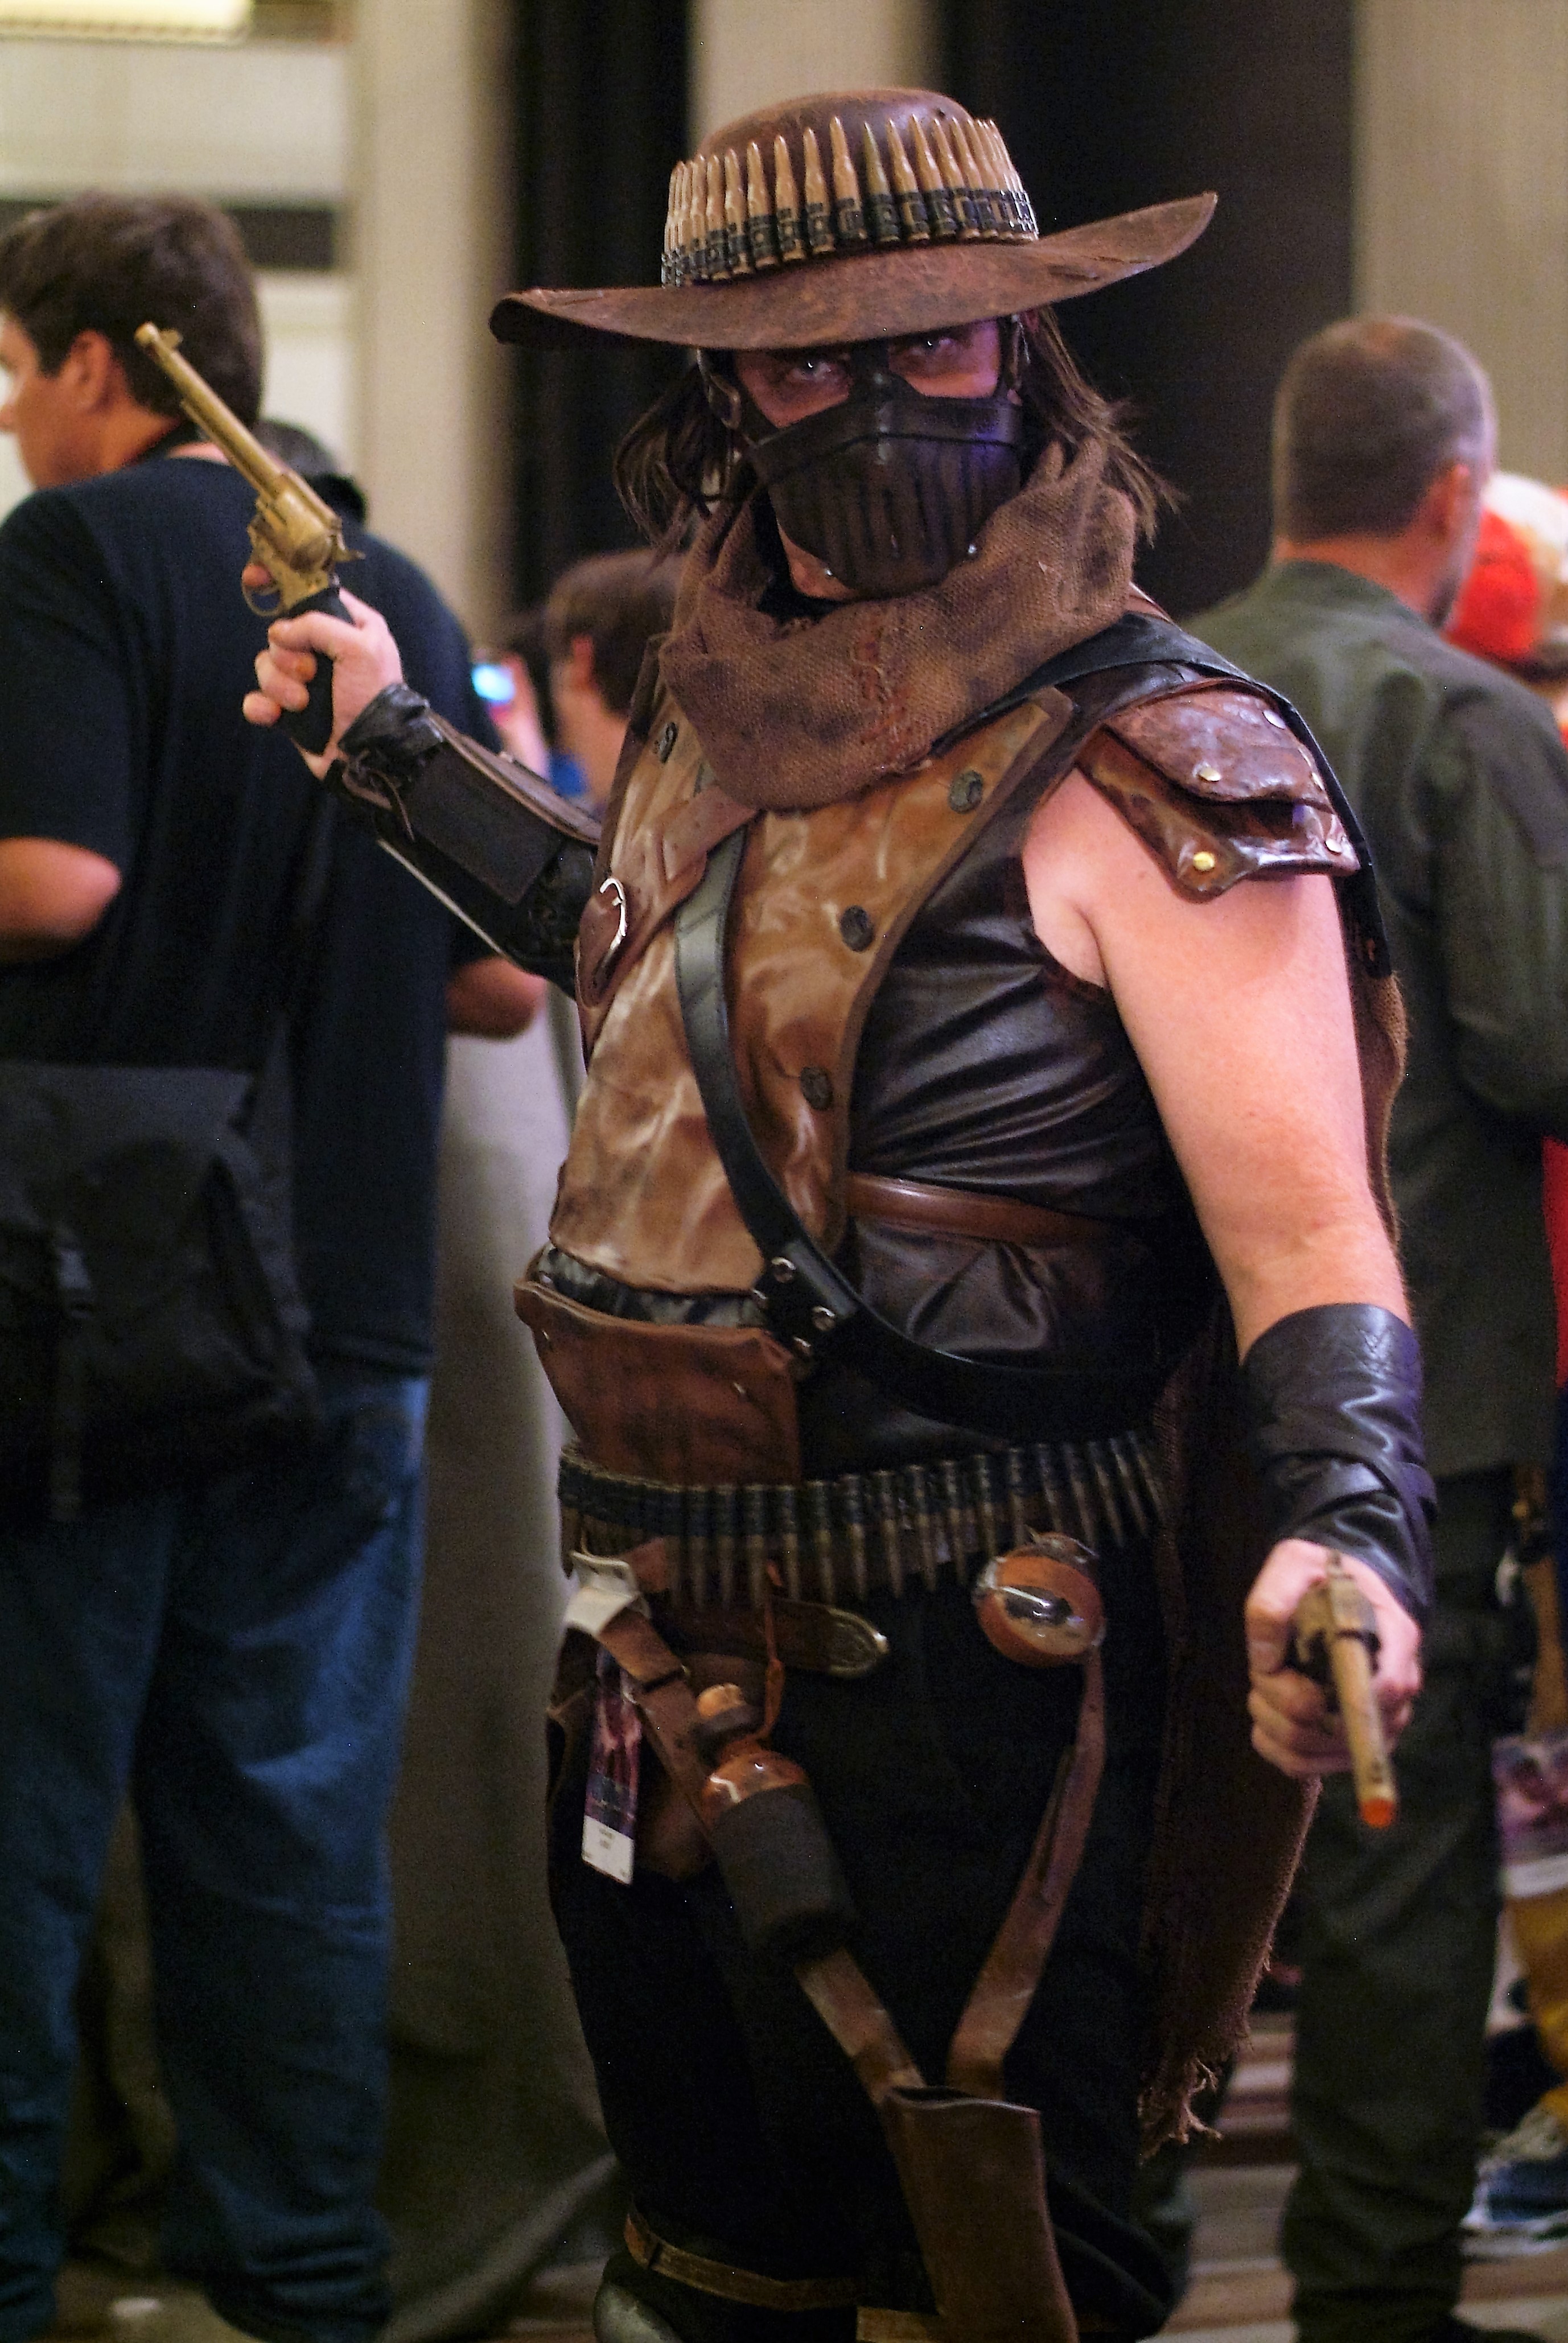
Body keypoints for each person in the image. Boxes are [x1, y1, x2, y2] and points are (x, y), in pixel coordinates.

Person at [245, 92, 1432, 2343]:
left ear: (1025, 354)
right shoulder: (711, 721)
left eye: (936, 343)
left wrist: (1346, 1525)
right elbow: (660, 981)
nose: (881, 400)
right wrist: (396, 754)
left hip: (979, 1666)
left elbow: (1304, 1237)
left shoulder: (1159, 758)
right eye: (807, 357)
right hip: (646, 1638)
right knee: (706, 2275)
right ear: (721, 395)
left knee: (986, 2276)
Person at [0, 192, 537, 2343]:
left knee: (26, 1831)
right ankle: (302, 2287)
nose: (17, 416)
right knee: (292, 1840)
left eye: (18, 373)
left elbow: (54, 881)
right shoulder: (399, 590)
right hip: (354, 1310)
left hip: (95, 1307)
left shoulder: (65, 555)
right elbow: (503, 982)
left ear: (101, 365)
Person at [1195, 319, 1568, 2343]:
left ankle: (1099, 2271)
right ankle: (1368, 2308)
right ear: (1451, 497)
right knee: (1393, 1879)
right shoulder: (1456, 715)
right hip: (1414, 1400)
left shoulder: (1144, 691)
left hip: (1160, 1393)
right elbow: (1538, 1046)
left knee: (1143, 1867)